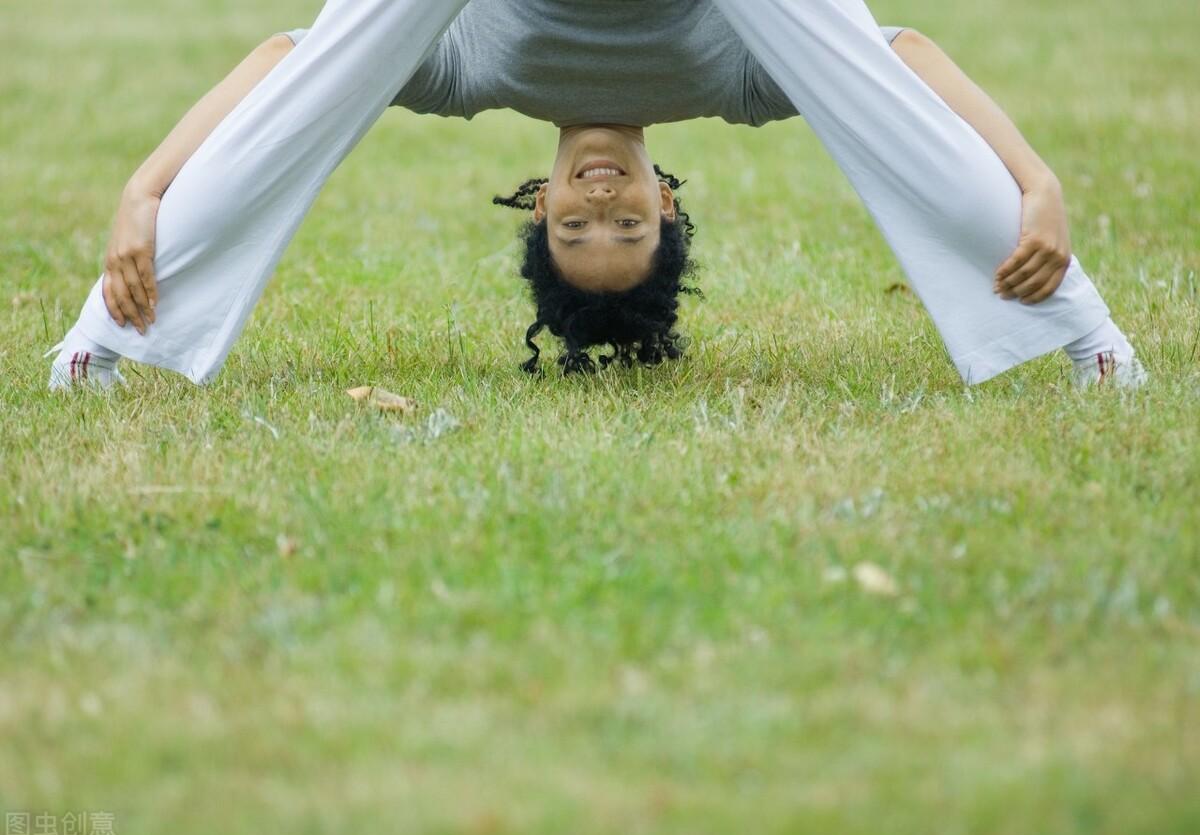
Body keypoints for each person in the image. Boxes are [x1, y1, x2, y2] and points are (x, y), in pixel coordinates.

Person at [47, 0, 1147, 388]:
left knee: (346, 62)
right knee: (853, 73)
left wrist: (146, 188)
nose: (603, 199)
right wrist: (1035, 178)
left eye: (578, 227)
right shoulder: (732, 81)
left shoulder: (476, 74)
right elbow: (897, 62)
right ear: (668, 201)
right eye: (628, 224)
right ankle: (1080, 331)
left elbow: (292, 69)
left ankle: (105, 338)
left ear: (540, 206)